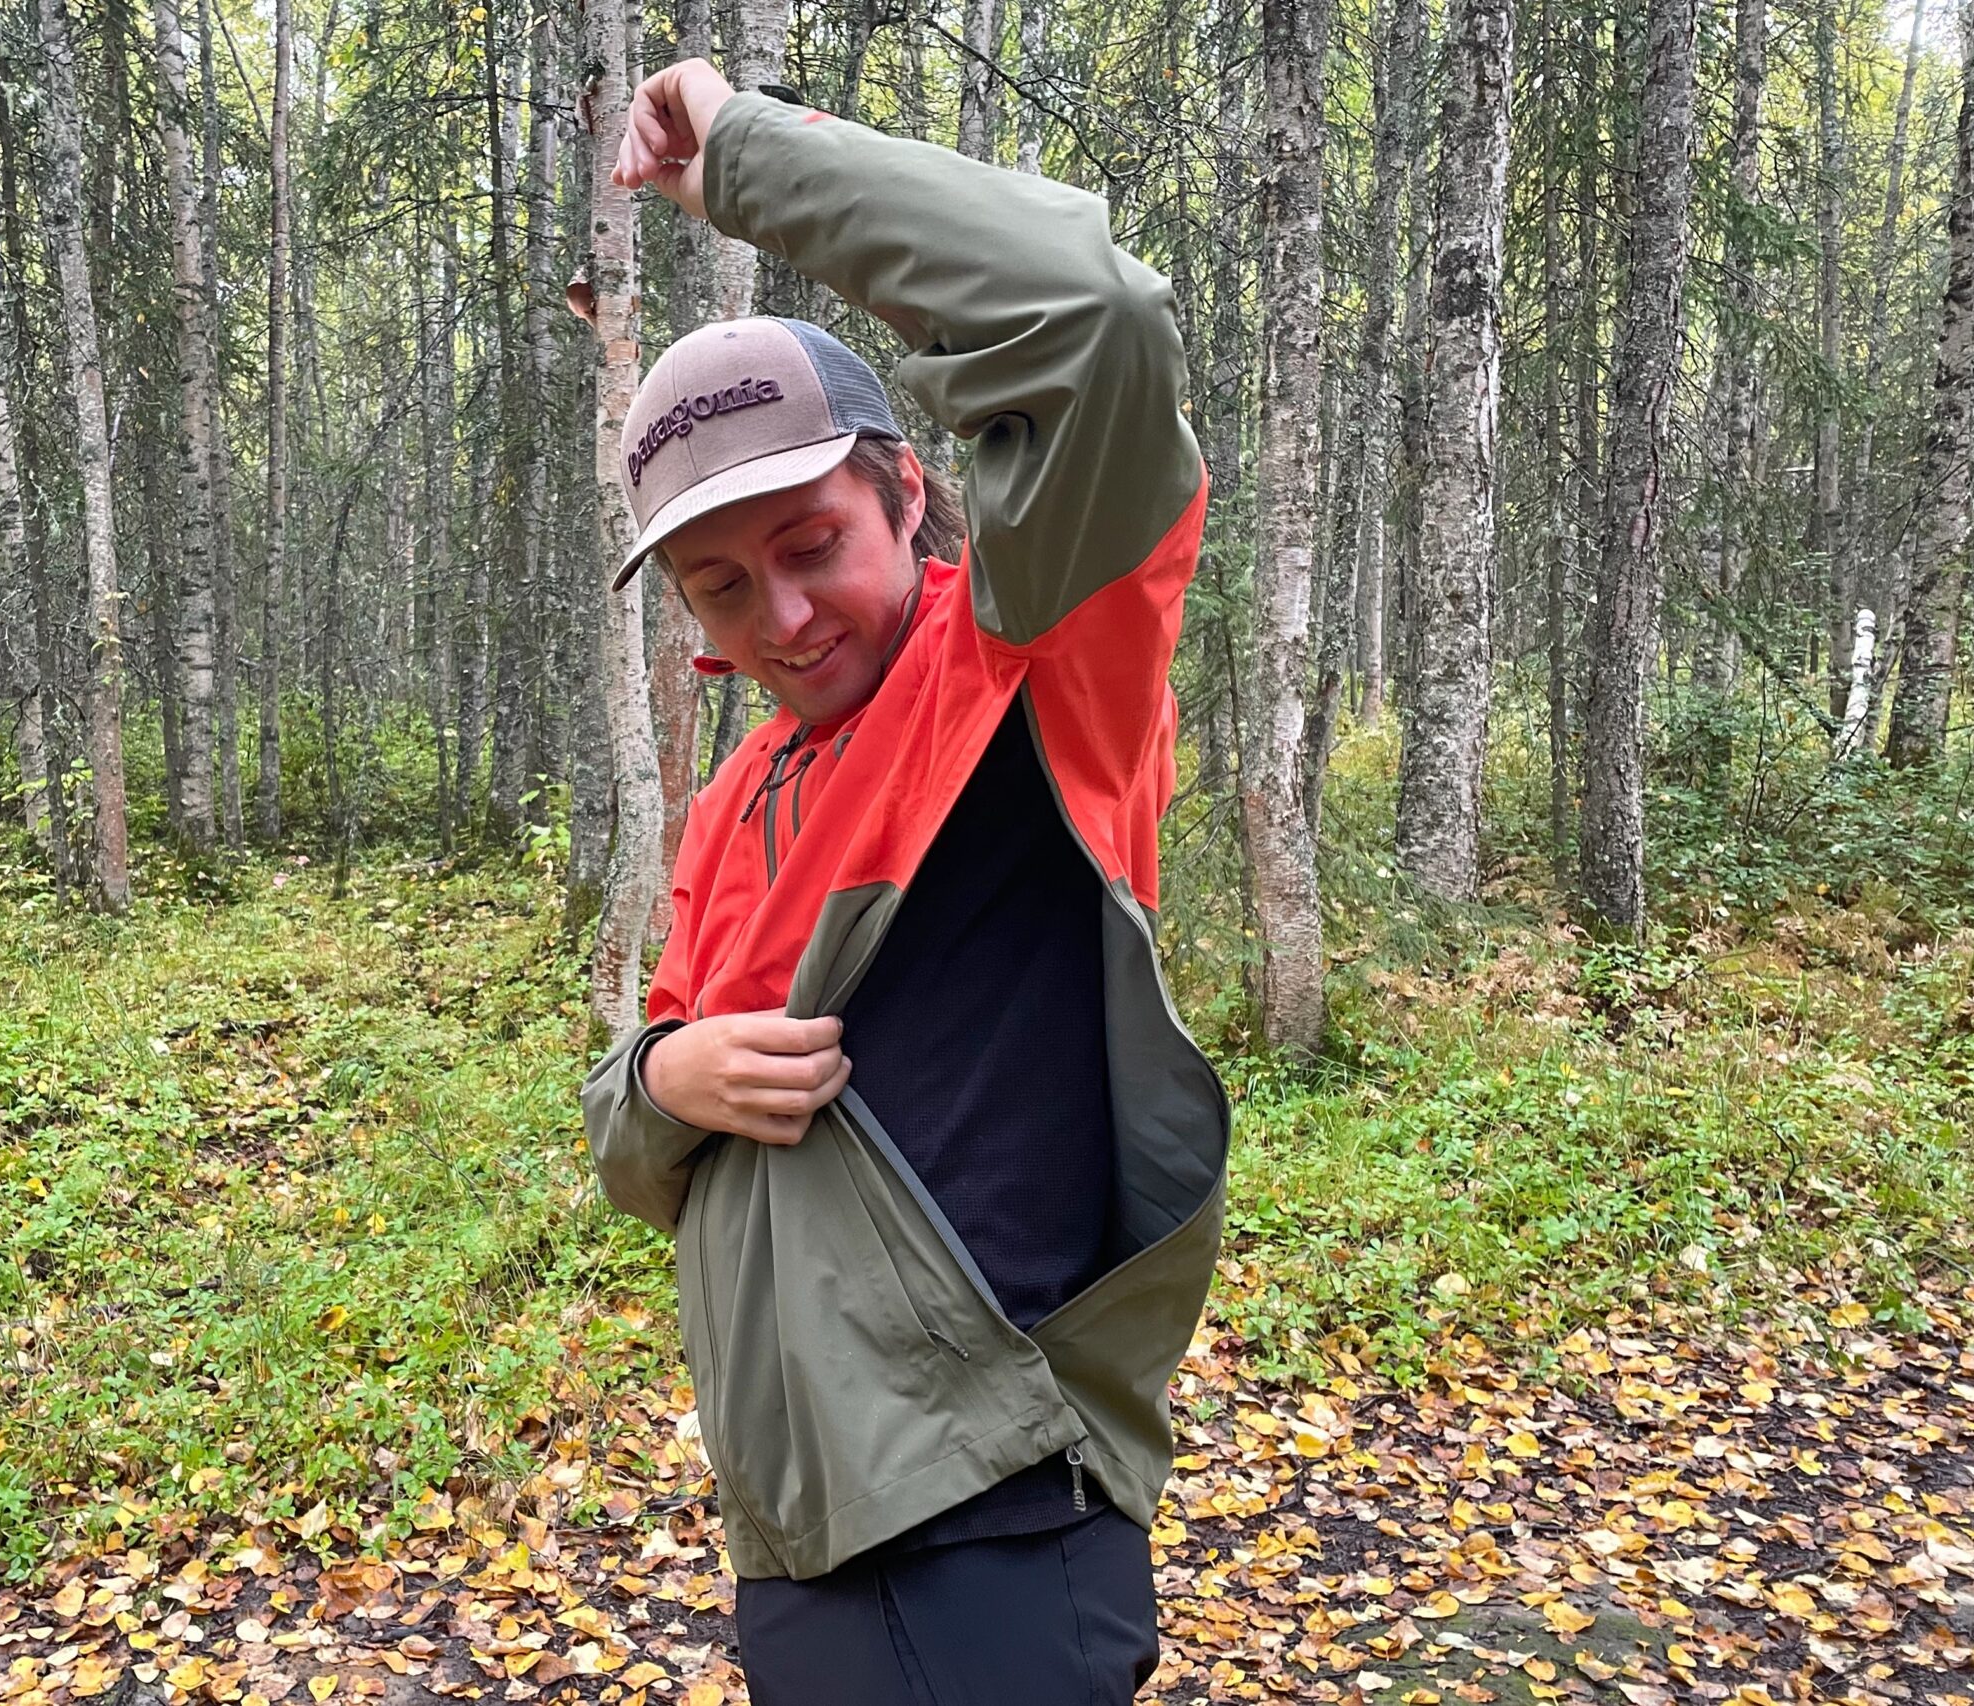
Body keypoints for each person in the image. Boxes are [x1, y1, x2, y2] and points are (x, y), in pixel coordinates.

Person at [581, 57, 1232, 1706]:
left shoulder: (1024, 667)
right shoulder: (734, 803)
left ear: (909, 493)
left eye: (814, 545)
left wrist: (746, 160)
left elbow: (1093, 322)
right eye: (725, 588)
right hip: (794, 1530)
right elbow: (629, 1134)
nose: (783, 616)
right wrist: (675, 1072)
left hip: (991, 1512)